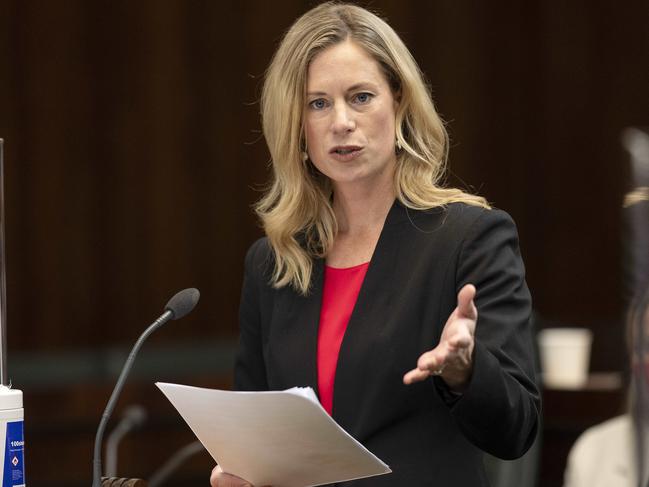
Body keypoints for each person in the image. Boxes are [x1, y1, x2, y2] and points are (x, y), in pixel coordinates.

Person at [211, 2, 540, 486]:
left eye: (361, 97)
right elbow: (257, 430)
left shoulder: (468, 239)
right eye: (318, 103)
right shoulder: (274, 262)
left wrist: (466, 371)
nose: (341, 121)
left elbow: (517, 430)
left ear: (400, 103)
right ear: (297, 125)